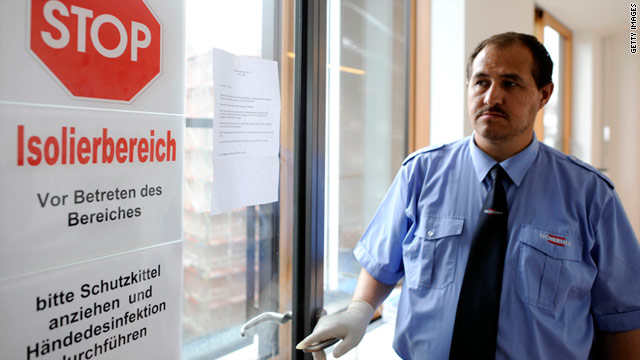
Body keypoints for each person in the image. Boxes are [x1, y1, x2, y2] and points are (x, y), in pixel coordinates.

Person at [296, 32, 640, 359]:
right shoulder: (421, 173)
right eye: (481, 82)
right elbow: (382, 262)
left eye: (510, 83)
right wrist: (359, 310)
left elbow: (622, 316)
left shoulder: (590, 194)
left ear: (544, 94)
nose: (491, 97)